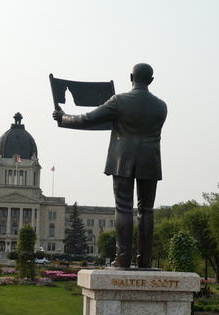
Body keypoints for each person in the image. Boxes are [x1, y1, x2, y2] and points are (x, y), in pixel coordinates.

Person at [53, 63, 167, 268]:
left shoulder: (120, 100)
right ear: (151, 80)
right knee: (146, 210)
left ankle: (122, 259)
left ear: (131, 77)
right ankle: (145, 261)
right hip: (150, 160)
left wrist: (63, 118)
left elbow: (87, 119)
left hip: (123, 159)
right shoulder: (161, 105)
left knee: (123, 207)